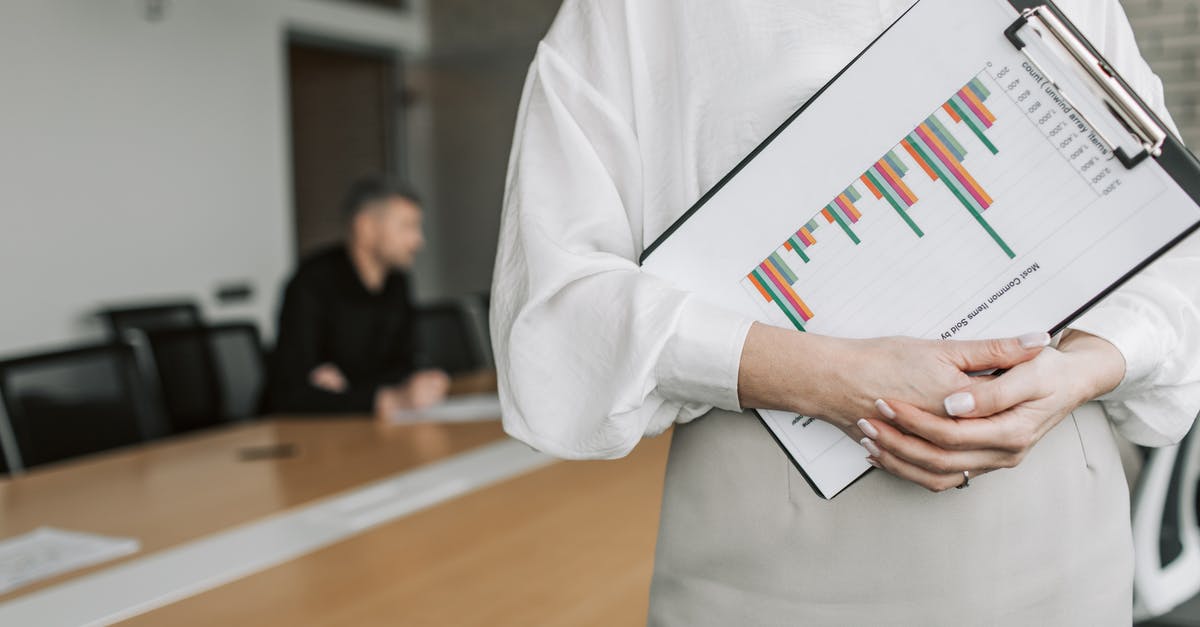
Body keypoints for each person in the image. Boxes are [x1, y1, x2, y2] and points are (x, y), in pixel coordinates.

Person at [490, 1, 1200, 624]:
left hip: (1057, 520)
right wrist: (824, 375)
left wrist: (1084, 367)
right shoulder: (639, 11)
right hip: (778, 536)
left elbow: (1177, 241)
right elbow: (552, 308)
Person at [268, 176, 449, 418]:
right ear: (365, 226)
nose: (418, 240)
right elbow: (291, 392)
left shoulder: (398, 283)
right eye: (407, 226)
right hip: (305, 434)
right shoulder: (312, 282)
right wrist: (383, 398)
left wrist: (419, 381)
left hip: (368, 425)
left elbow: (404, 364)